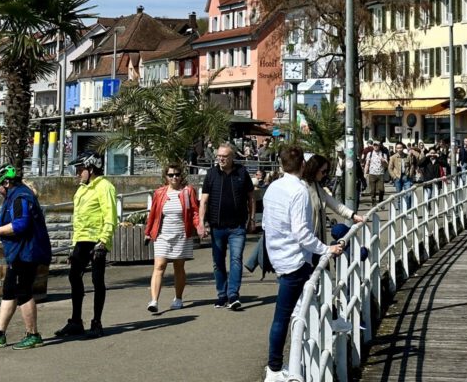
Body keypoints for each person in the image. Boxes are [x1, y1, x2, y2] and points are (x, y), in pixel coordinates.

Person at [262, 146, 345, 382]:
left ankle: (328, 326)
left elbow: (267, 224)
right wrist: (326, 249)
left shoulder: (273, 188)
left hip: (278, 255)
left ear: (281, 164)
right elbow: (302, 233)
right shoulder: (298, 191)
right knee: (286, 315)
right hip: (295, 259)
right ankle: (275, 369)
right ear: (301, 166)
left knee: (300, 306)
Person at [0, 165, 51, 349]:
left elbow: (20, 225)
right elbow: (11, 218)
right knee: (9, 290)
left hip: (26, 252)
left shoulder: (20, 197)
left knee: (23, 292)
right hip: (20, 252)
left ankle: (33, 334)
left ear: (7, 183)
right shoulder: (14, 196)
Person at [56, 150, 116, 338]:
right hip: (82, 240)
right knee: (74, 277)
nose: (77, 173)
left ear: (91, 168)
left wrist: (103, 242)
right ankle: (76, 321)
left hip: (97, 240)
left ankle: (96, 322)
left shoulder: (105, 187)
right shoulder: (82, 189)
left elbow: (110, 215)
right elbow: (79, 220)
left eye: (80, 169)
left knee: (97, 280)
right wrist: (74, 246)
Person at [199, 143, 256, 310]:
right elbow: (204, 201)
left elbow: (251, 198)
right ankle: (221, 295)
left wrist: (252, 219)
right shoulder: (211, 174)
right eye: (219, 156)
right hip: (217, 227)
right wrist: (201, 223)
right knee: (218, 262)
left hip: (237, 226)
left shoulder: (242, 173)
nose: (221, 159)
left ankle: (233, 295)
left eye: (224, 156)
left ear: (232, 157)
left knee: (236, 259)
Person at [144, 162, 201, 312]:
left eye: (177, 174)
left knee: (178, 266)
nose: (174, 177)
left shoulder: (188, 191)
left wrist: (199, 226)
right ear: (166, 177)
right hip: (162, 234)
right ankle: (154, 301)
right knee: (159, 266)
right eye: (171, 175)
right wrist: (148, 232)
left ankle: (178, 298)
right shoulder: (160, 193)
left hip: (181, 233)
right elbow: (153, 215)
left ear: (182, 176)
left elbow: (195, 211)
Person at [300, 154, 364, 249]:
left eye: (327, 171)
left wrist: (353, 215)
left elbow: (335, 205)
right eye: (323, 171)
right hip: (308, 242)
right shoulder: (302, 188)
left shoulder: (317, 186)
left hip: (319, 240)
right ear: (314, 169)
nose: (325, 174)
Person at [388, 142, 415, 207]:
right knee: (399, 195)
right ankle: (400, 211)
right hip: (397, 177)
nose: (399, 149)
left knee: (408, 194)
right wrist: (394, 177)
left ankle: (408, 211)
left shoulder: (408, 156)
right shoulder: (393, 157)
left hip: (406, 177)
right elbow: (390, 168)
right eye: (398, 148)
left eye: (401, 148)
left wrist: (410, 174)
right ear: (396, 149)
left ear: (403, 148)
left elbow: (412, 166)